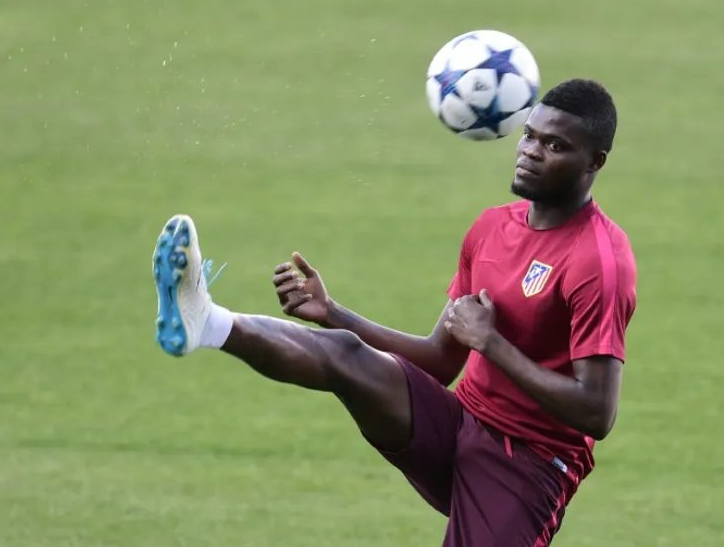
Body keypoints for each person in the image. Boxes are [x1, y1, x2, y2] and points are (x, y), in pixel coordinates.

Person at [151, 78, 637, 547]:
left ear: (595, 161)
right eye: (529, 135)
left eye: (555, 146)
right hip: (457, 422)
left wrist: (490, 343)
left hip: (528, 463)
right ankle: (207, 320)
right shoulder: (492, 227)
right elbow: (439, 361)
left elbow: (597, 412)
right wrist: (334, 313)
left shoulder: (599, 260)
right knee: (345, 354)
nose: (531, 150)